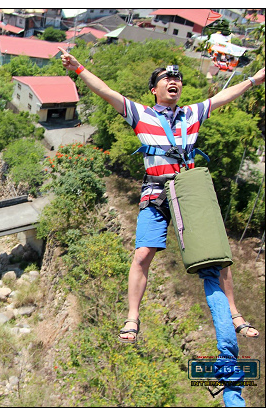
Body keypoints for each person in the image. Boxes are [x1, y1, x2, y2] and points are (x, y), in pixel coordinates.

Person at [57, 47, 264, 344]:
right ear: (154, 90)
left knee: (216, 255)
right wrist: (78, 68)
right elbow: (105, 90)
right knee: (142, 254)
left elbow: (223, 97)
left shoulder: (192, 114)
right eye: (166, 78)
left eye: (177, 79)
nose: (174, 82)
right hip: (156, 190)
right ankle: (132, 317)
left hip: (188, 191)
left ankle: (235, 315)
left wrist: (254, 81)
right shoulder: (141, 114)